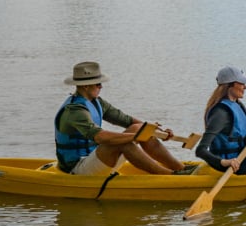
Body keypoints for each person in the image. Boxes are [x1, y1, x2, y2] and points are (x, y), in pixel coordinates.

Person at [55, 61, 197, 175]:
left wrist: (155, 131)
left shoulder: (96, 101)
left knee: (138, 128)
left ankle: (180, 169)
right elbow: (100, 137)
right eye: (98, 84)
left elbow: (127, 120)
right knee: (123, 142)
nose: (101, 86)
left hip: (95, 158)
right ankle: (168, 176)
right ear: (85, 86)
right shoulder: (75, 110)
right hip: (76, 169)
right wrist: (137, 136)